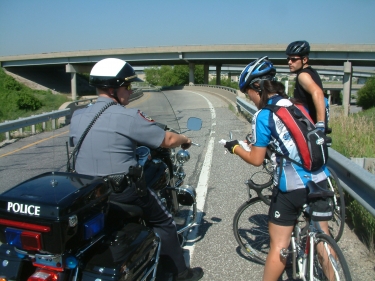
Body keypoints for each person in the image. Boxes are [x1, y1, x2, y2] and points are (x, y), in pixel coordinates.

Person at [69, 58, 203, 281]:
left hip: (88, 192)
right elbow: (168, 139)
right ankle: (181, 273)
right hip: (122, 191)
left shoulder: (78, 116)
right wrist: (185, 138)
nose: (130, 91)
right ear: (114, 88)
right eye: (128, 86)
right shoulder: (127, 116)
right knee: (164, 222)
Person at [223, 56, 330, 281]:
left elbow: (255, 158)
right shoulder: (297, 105)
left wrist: (234, 148)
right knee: (323, 239)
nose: (250, 99)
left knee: (279, 245)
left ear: (257, 87)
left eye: (248, 93)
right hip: (321, 177)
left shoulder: (264, 115)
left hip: (292, 186)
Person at [286, 40, 328, 132]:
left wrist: (320, 124)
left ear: (304, 60)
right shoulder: (312, 72)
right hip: (312, 130)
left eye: (293, 59)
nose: (289, 62)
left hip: (310, 130)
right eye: (288, 59)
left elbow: (318, 92)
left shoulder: (303, 75)